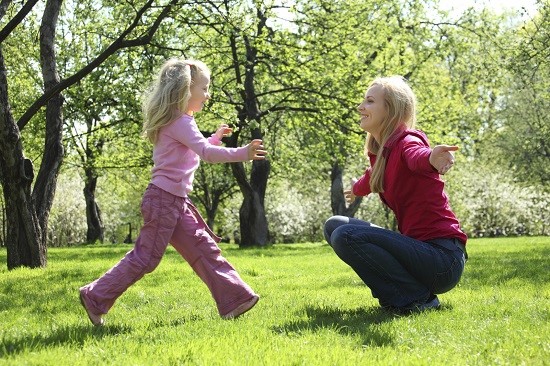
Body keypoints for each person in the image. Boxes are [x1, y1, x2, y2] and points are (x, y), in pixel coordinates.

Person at [79, 58, 267, 326]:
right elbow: (207, 154)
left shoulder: (179, 122)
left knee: (203, 247)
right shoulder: (181, 122)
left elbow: (199, 149)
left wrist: (213, 139)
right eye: (204, 88)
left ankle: (235, 300)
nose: (207, 94)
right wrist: (243, 153)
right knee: (146, 259)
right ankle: (95, 296)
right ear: (185, 89)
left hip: (173, 201)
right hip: (164, 201)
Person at [323, 76, 467, 314]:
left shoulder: (407, 142)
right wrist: (356, 189)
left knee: (346, 235)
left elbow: (417, 156)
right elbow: (372, 178)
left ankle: (415, 299)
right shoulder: (383, 154)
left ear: (391, 109)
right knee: (334, 226)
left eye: (370, 101)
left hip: (443, 259)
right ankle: (401, 294)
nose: (361, 107)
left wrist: (432, 158)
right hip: (420, 254)